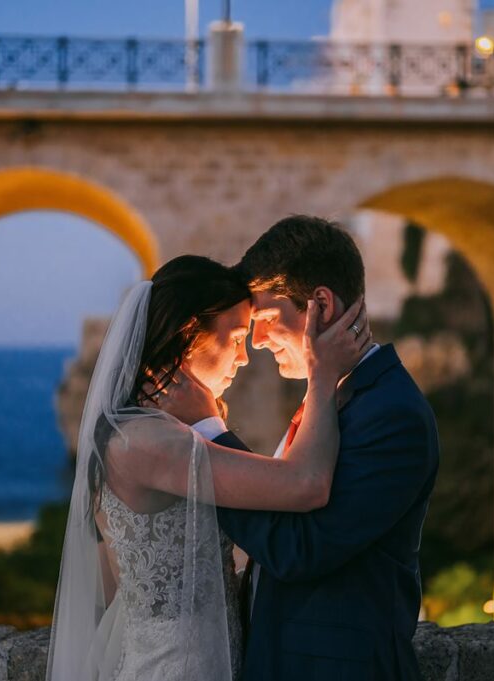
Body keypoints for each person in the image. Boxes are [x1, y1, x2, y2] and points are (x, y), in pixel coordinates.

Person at [45, 254, 370, 681]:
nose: (243, 357)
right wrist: (322, 375)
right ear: (188, 336)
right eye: (235, 339)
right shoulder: (148, 443)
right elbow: (306, 484)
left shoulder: (142, 432)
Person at [163, 216, 441, 681]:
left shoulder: (393, 415)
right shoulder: (329, 398)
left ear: (322, 306)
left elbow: (300, 549)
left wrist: (208, 432)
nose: (256, 340)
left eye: (267, 319)